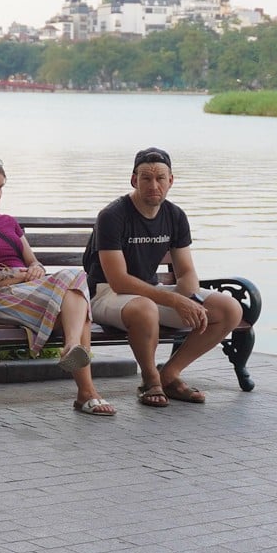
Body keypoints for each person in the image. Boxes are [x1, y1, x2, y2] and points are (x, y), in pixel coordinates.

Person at [0, 153, 115, 416]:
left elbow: (34, 262)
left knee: (75, 287)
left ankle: (74, 355)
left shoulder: (9, 223)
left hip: (30, 292)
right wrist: (24, 274)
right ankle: (85, 388)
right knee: (77, 301)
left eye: (1, 187)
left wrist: (34, 269)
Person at [83, 147, 244, 407]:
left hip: (149, 292)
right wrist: (174, 302)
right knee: (145, 308)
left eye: (160, 178)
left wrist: (189, 297)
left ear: (171, 180)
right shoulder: (112, 216)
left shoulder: (175, 216)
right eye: (146, 178)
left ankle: (169, 374)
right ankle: (150, 380)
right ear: (134, 180)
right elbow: (118, 281)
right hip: (106, 295)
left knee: (228, 309)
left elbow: (186, 271)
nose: (153, 185)